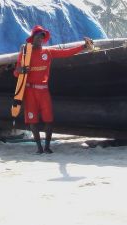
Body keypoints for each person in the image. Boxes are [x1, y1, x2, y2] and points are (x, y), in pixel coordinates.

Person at [12, 25, 94, 154]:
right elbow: (16, 73)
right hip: (30, 91)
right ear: (33, 38)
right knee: (33, 120)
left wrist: (84, 46)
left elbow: (66, 53)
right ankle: (39, 148)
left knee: (48, 119)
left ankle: (47, 147)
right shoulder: (25, 53)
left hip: (43, 91)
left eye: (42, 37)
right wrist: (21, 70)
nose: (41, 39)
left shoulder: (48, 52)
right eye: (38, 36)